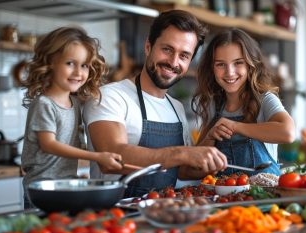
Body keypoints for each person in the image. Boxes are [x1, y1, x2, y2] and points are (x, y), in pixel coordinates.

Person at [84, 10, 227, 198]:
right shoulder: (109, 96)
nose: (173, 62)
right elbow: (112, 157)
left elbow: (181, 171)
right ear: (148, 47)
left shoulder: (176, 108)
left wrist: (209, 163)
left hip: (163, 215)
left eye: (184, 56)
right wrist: (182, 153)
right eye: (167, 49)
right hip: (116, 218)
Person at [21, 27, 123, 206]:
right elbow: (49, 145)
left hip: (65, 186)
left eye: (84, 65)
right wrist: (97, 156)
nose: (78, 72)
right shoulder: (44, 104)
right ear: (50, 62)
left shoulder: (75, 103)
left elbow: (71, 141)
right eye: (70, 63)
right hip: (42, 190)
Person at [191, 28, 295, 176]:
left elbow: (288, 132)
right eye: (220, 64)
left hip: (265, 197)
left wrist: (236, 126)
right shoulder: (213, 104)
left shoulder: (264, 99)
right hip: (226, 198)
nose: (230, 72)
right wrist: (210, 137)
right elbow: (194, 165)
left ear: (250, 65)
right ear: (211, 68)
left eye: (238, 63)